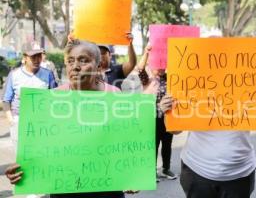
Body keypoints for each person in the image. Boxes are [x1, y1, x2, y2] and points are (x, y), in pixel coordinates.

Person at [5, 39, 138, 198]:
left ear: (98, 66)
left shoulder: (115, 96)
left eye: (83, 60)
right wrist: (23, 170)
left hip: (107, 189)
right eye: (70, 61)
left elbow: (126, 143)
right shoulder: (52, 99)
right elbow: (40, 147)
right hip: (65, 188)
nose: (75, 66)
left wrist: (133, 176)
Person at [158, 84, 256, 198]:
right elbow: (174, 131)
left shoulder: (247, 76)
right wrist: (168, 112)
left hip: (239, 171)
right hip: (197, 171)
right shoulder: (192, 78)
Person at [2, 43, 57, 149]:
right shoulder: (14, 75)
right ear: (25, 58)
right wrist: (12, 121)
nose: (37, 60)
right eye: (33, 57)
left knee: (40, 154)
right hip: (19, 121)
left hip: (42, 122)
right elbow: (6, 100)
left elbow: (54, 97)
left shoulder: (48, 74)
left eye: (39, 56)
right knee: (21, 156)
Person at [136, 44, 177, 181]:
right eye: (158, 65)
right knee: (152, 145)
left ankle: (166, 169)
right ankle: (151, 170)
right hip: (151, 118)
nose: (160, 68)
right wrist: (146, 52)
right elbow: (140, 68)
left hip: (167, 118)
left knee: (167, 144)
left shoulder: (170, 78)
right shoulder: (147, 80)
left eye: (163, 65)